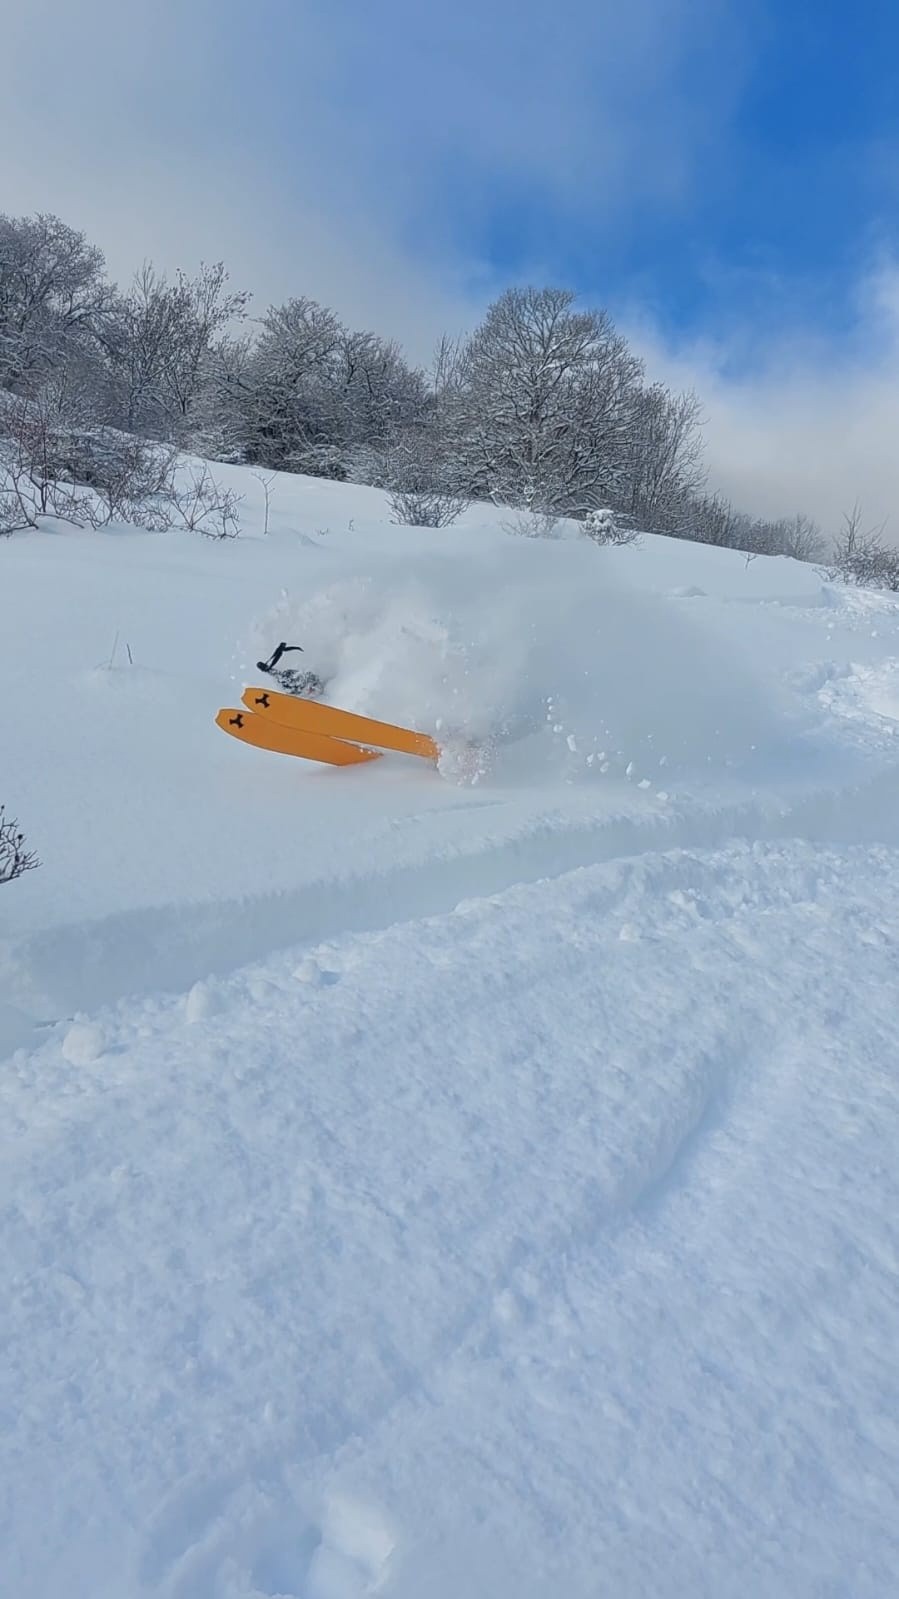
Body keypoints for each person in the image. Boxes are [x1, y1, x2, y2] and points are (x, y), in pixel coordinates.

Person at [255, 642, 324, 697]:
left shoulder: (311, 681)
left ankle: (269, 669)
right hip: (293, 683)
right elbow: (278, 675)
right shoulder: (291, 683)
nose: (310, 690)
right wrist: (267, 669)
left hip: (299, 682)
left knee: (289, 680)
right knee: (287, 680)